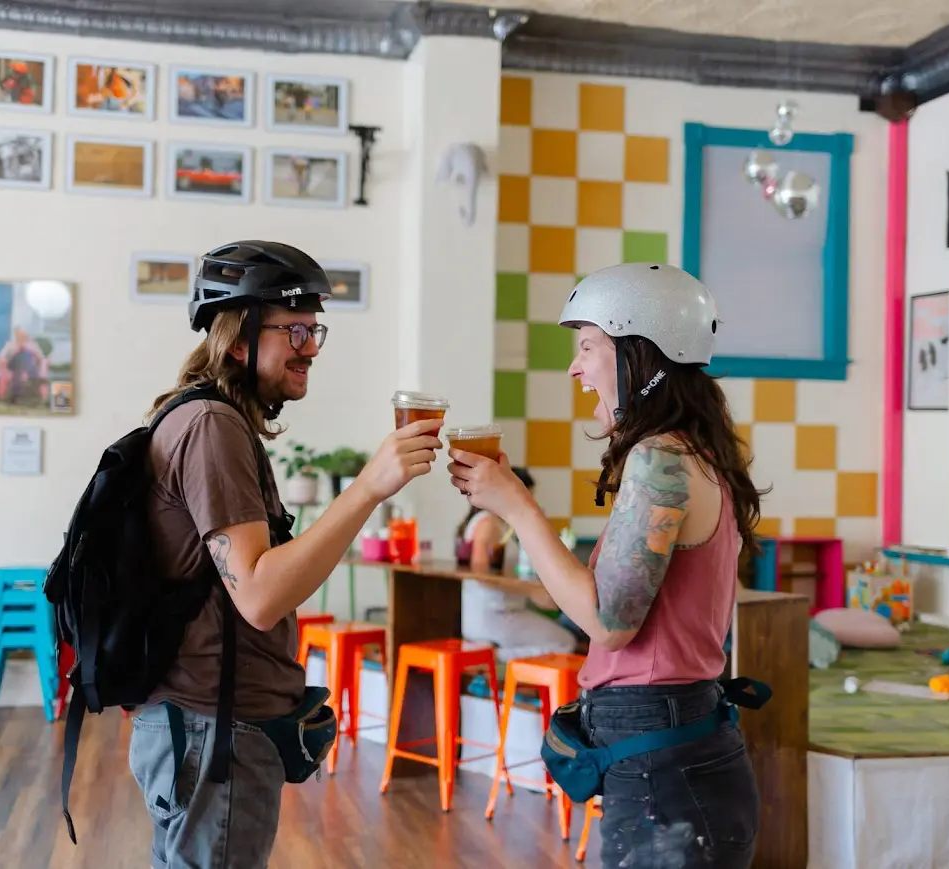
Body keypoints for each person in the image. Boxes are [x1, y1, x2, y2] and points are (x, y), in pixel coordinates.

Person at [128, 240, 444, 869]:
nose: (311, 347)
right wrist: (368, 487)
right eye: (293, 328)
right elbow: (261, 595)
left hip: (200, 730)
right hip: (213, 734)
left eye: (314, 327)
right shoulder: (212, 427)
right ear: (239, 339)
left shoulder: (206, 420)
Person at [446, 262, 767, 868]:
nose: (575, 367)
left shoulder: (661, 459)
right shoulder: (690, 452)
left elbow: (607, 621)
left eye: (589, 346)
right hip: (673, 752)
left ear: (641, 358)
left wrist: (516, 504)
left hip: (664, 763)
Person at [456, 466, 578, 661]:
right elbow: (481, 577)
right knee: (564, 642)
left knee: (561, 636)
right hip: (493, 615)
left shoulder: (499, 523)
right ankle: (489, 658)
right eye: (527, 496)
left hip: (503, 611)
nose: (531, 502)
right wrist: (530, 592)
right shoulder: (488, 524)